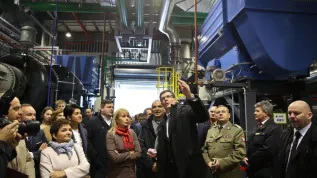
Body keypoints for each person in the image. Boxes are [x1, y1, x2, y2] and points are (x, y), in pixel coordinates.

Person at [156, 79, 209, 178]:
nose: (165, 99)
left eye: (168, 97)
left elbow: (203, 117)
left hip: (188, 164)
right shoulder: (163, 121)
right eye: (163, 98)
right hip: (171, 167)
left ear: (175, 99)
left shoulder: (184, 110)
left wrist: (189, 95)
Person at [275, 100, 317, 178]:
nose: (291, 116)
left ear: (309, 115)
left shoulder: (314, 135)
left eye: (296, 113)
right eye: (289, 113)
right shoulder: (284, 135)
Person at [202, 105, 246, 178]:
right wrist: (208, 162)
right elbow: (204, 149)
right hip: (212, 173)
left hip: (229, 173)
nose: (220, 113)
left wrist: (221, 163)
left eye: (223, 112)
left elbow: (240, 152)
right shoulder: (210, 131)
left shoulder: (236, 130)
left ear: (229, 115)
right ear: (215, 116)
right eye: (218, 112)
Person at [242, 100, 282, 178]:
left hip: (265, 170)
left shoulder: (274, 128)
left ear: (265, 113)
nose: (254, 113)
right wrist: (244, 157)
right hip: (253, 169)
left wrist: (249, 161)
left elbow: (268, 150)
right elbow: (249, 144)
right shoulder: (256, 127)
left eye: (257, 111)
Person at [106, 108, 141, 178]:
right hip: (116, 172)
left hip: (131, 171)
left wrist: (121, 154)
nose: (127, 118)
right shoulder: (111, 134)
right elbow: (114, 158)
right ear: (116, 119)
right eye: (123, 116)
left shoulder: (132, 132)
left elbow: (138, 153)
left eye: (128, 116)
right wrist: (131, 152)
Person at [85, 99, 114, 178]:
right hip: (98, 162)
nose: (111, 109)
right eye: (108, 107)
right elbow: (87, 140)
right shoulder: (92, 123)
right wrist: (94, 155)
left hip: (114, 161)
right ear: (101, 109)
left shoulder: (116, 123)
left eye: (112, 107)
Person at [138, 100, 165, 178]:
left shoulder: (169, 123)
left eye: (160, 106)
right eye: (154, 107)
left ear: (164, 108)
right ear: (151, 109)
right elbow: (141, 146)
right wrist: (151, 163)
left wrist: (160, 163)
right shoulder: (144, 125)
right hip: (149, 166)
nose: (157, 109)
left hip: (166, 164)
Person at [21, 104, 48, 178]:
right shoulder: (16, 132)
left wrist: (28, 155)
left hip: (36, 172)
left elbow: (45, 153)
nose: (33, 118)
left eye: (34, 115)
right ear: (20, 116)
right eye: (29, 115)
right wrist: (34, 154)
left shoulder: (40, 132)